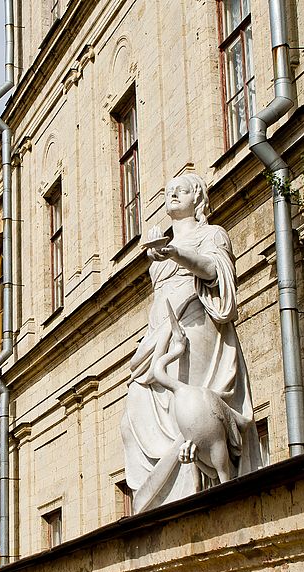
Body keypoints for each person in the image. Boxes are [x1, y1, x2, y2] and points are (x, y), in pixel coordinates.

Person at [120, 174, 261, 513]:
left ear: (197, 199)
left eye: (181, 191)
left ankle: (206, 487)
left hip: (195, 327)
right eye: (168, 191)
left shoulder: (212, 233)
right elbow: (162, 287)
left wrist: (175, 253)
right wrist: (157, 255)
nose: (172, 195)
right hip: (160, 333)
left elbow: (214, 270)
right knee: (131, 418)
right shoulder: (163, 247)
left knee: (193, 411)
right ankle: (160, 500)